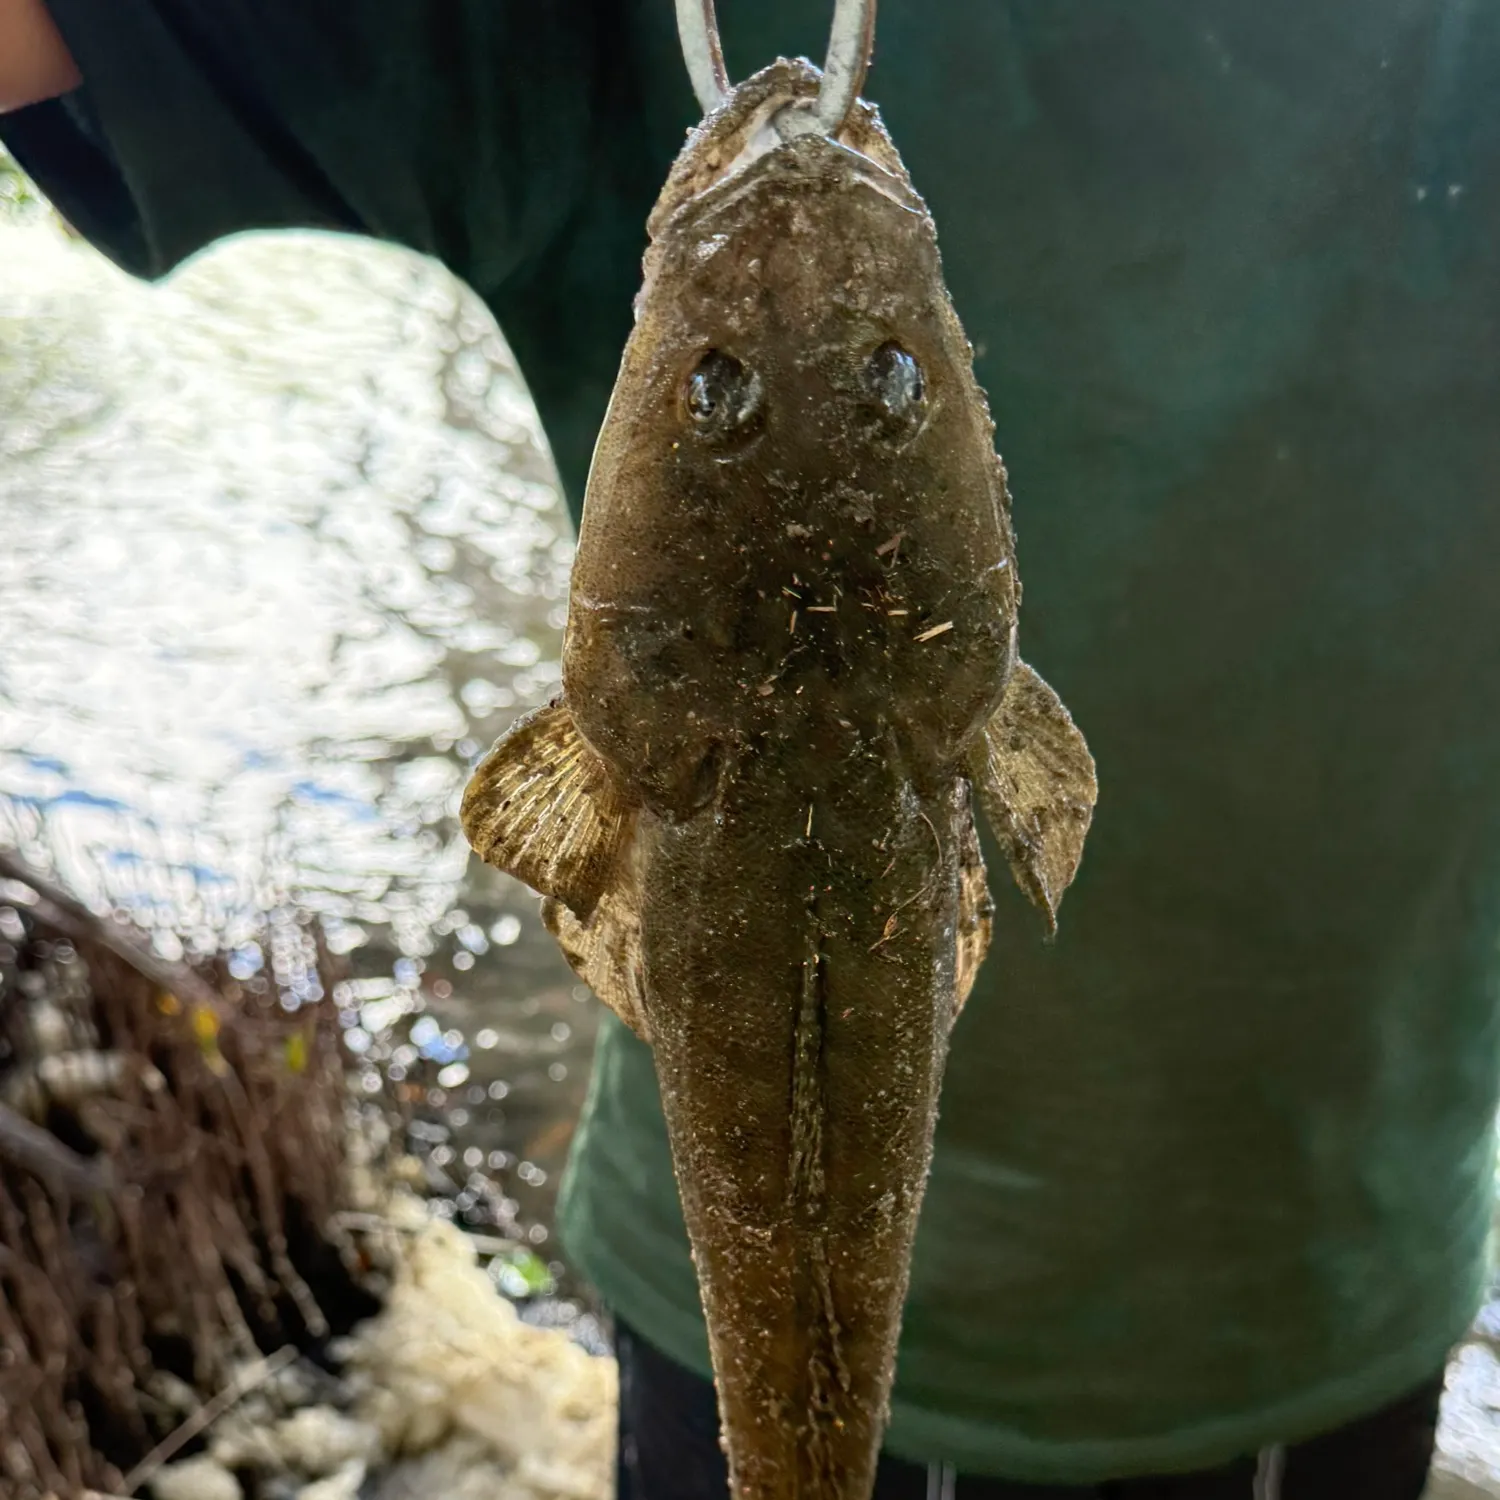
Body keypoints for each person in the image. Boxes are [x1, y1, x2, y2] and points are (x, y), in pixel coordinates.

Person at [4, 3, 1498, 1495]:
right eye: (715, 391)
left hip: (1310, 1314)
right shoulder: (560, 58)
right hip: (748, 1311)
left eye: (891, 380)